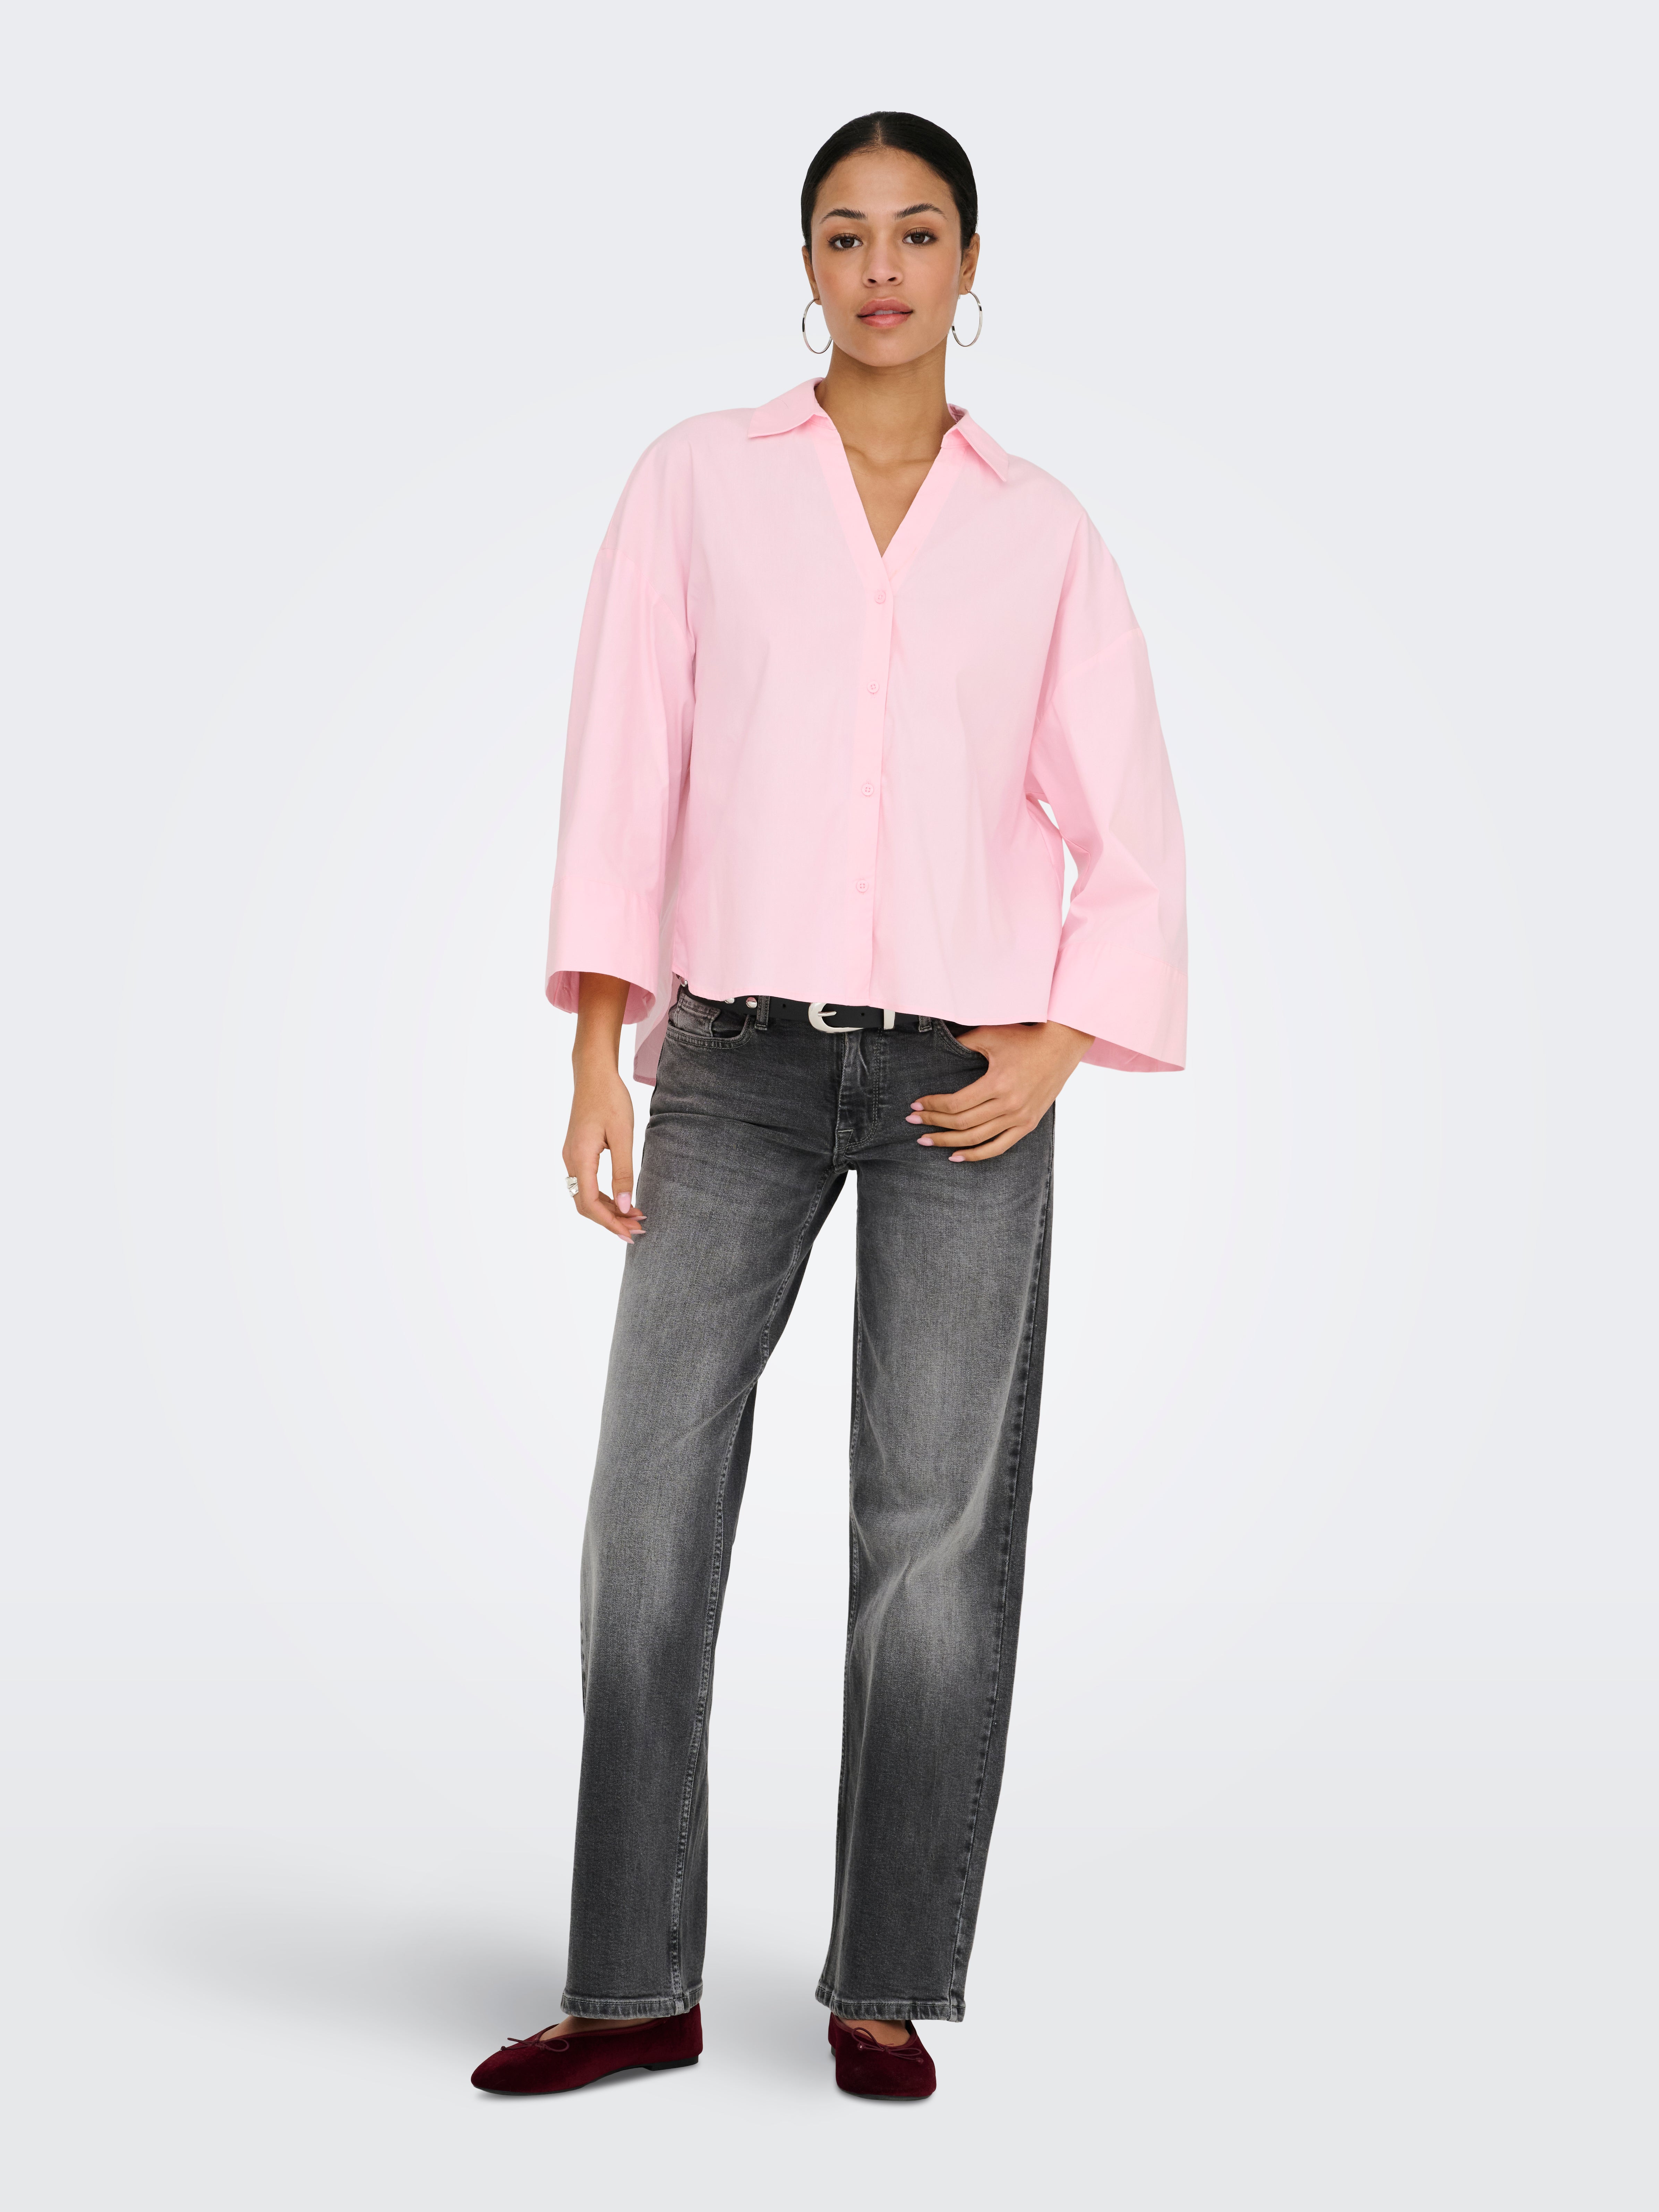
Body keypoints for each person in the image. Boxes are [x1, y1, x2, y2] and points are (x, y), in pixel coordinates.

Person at [471, 110, 1187, 2103]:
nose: (884, 268)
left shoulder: (1044, 533)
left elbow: (1128, 822)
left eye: (920, 232)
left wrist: (1061, 1044)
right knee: (649, 1509)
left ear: (972, 264)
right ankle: (633, 1987)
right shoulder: (698, 483)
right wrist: (594, 1050)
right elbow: (628, 769)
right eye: (848, 234)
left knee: (932, 1532)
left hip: (968, 1077)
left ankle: (885, 1981)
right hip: (734, 1064)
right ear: (807, 264)